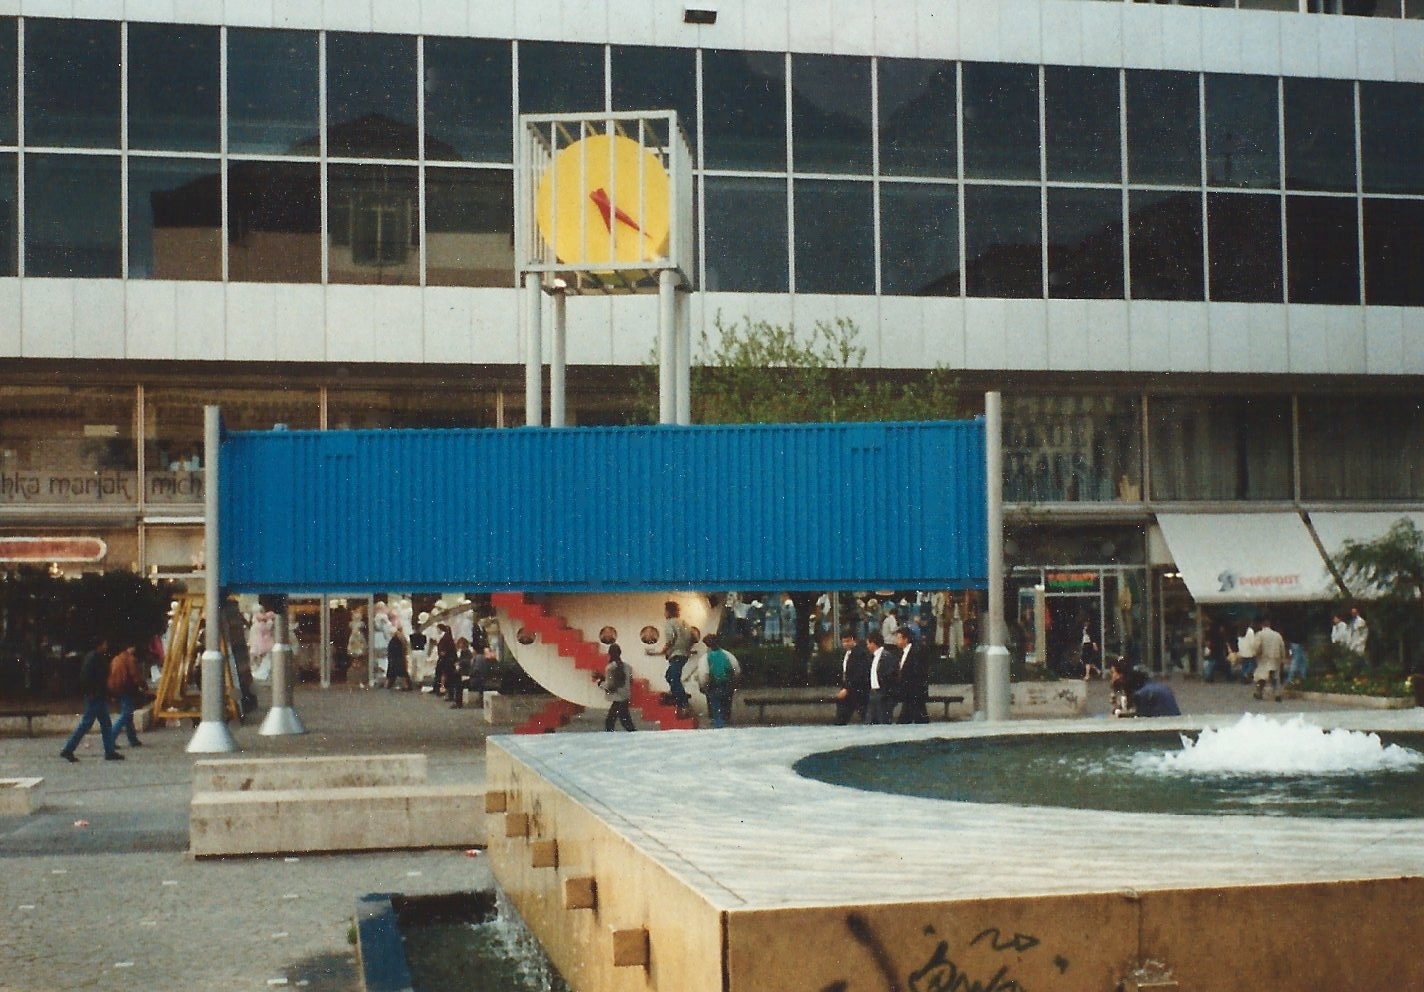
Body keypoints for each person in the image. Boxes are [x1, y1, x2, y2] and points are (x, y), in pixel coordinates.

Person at [60, 638, 123, 762]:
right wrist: (92, 692)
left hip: (97, 695)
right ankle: (68, 749)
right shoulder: (94, 659)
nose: (106, 646)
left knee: (105, 724)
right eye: (104, 644)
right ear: (99, 645)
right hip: (95, 696)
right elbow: (88, 677)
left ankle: (109, 751)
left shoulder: (94, 657)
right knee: (87, 724)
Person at [656, 601, 694, 719]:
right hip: (685, 654)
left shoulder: (669, 623)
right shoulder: (685, 623)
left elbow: (670, 638)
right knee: (670, 676)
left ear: (668, 611)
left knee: (673, 678)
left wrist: (663, 650)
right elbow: (693, 638)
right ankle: (677, 693)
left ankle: (683, 703)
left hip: (676, 654)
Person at [695, 634, 741, 729]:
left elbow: (704, 674)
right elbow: (736, 669)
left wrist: (703, 686)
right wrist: (734, 681)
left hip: (714, 684)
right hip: (727, 683)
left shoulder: (705, 657)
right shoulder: (727, 655)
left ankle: (718, 723)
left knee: (715, 705)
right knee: (726, 703)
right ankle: (726, 720)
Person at [107, 643, 148, 749]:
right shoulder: (130, 659)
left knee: (128, 715)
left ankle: (133, 739)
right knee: (126, 715)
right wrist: (144, 686)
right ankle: (110, 738)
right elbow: (135, 676)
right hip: (127, 689)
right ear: (131, 648)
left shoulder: (116, 659)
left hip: (117, 689)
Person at [1109, 657, 1180, 717]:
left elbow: (1136, 717)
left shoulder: (1142, 694)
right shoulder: (1150, 686)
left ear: (1121, 675)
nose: (1111, 676)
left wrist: (1116, 711)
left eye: (1113, 672)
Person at [894, 627, 930, 724]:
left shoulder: (916, 651)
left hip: (915, 691)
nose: (896, 641)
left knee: (916, 717)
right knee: (915, 717)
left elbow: (919, 672)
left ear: (905, 639)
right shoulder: (901, 653)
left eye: (898, 638)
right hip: (907, 693)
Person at [596, 644, 636, 732]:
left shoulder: (610, 667)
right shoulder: (628, 667)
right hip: (625, 696)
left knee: (610, 722)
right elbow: (629, 681)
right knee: (626, 722)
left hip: (617, 698)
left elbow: (610, 685)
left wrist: (600, 683)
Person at [834, 630, 871, 725]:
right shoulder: (845, 654)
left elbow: (859, 674)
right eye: (843, 642)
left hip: (858, 691)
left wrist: (847, 688)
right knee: (841, 717)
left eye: (847, 641)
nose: (845, 644)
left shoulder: (860, 654)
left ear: (853, 640)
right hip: (847, 691)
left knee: (865, 715)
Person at [865, 630, 897, 725]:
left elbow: (890, 676)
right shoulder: (873, 657)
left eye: (868, 644)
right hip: (873, 693)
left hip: (883, 695)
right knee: (870, 721)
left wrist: (886, 693)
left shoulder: (886, 656)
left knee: (883, 721)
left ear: (873, 643)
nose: (867, 646)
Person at [1253, 616, 1287, 702]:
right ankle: (1277, 694)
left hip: (1264, 659)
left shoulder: (1260, 634)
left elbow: (1257, 647)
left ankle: (1258, 693)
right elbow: (1282, 647)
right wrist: (1283, 658)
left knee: (1261, 678)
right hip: (1275, 659)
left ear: (1262, 625)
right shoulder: (1277, 635)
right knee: (1275, 678)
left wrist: (1255, 654)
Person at [384, 627, 413, 691]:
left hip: (394, 659)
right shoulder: (402, 639)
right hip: (400, 658)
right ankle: (406, 686)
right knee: (402, 673)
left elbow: (391, 650)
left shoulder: (394, 640)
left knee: (391, 674)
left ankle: (387, 686)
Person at [1235, 619, 1259, 684]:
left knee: (1244, 665)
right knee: (1254, 664)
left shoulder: (1240, 631)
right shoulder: (1250, 631)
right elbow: (1252, 642)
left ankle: (1243, 677)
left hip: (1242, 651)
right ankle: (1246, 674)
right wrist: (1255, 650)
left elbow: (1238, 642)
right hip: (1249, 651)